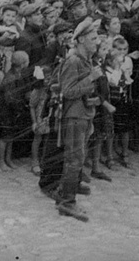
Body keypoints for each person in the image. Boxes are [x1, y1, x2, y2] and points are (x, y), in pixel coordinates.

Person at [53, 19, 100, 222]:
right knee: (75, 159)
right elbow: (68, 91)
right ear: (80, 39)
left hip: (84, 113)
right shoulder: (74, 60)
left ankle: (64, 190)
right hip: (74, 115)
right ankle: (67, 203)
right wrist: (91, 79)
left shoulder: (85, 58)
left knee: (77, 157)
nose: (97, 42)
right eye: (93, 38)